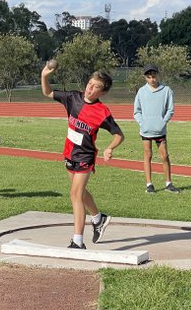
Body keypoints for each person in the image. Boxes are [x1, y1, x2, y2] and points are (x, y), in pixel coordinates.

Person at [41, 65, 124, 249]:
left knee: (75, 194)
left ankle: (77, 241)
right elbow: (47, 93)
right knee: (80, 192)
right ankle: (98, 218)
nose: (90, 88)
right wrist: (44, 75)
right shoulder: (73, 98)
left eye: (96, 87)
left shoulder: (102, 112)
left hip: (85, 156)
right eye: (89, 83)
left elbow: (119, 135)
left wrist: (110, 148)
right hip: (69, 153)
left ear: (102, 93)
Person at [134, 64, 180, 194]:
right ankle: (149, 184)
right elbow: (137, 111)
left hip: (160, 130)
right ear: (145, 78)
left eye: (154, 76)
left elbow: (170, 109)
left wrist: (163, 121)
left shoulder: (166, 90)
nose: (152, 79)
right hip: (146, 130)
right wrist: (142, 123)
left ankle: (168, 183)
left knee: (164, 156)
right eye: (149, 77)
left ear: (157, 76)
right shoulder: (141, 92)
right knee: (147, 155)